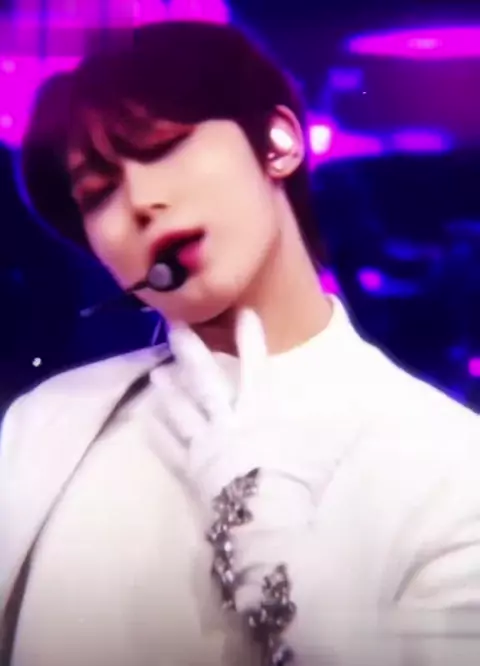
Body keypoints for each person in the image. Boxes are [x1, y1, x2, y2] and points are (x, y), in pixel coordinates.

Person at [1, 19, 480, 666]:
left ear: (279, 141)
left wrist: (280, 556)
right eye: (99, 192)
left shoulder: (450, 464)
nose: (140, 201)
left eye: (164, 148)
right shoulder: (51, 421)